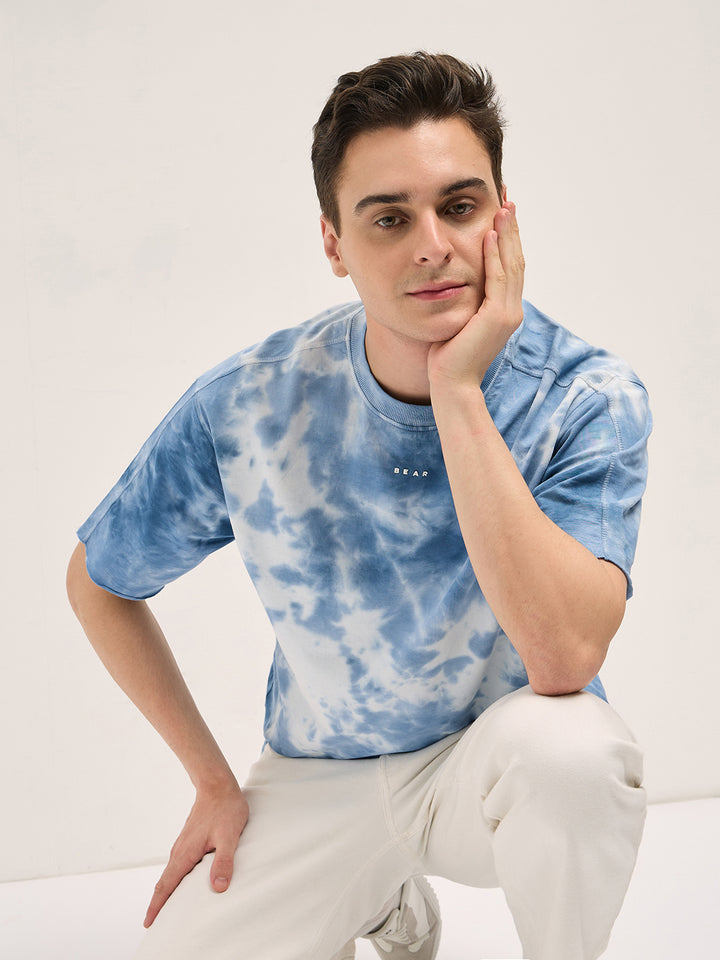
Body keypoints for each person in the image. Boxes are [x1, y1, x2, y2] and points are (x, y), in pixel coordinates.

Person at [66, 52, 651, 960]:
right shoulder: (250, 403)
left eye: (460, 206)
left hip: (494, 769)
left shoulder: (585, 398)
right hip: (320, 776)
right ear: (334, 244)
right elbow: (99, 583)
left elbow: (565, 655)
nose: (432, 245)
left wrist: (458, 391)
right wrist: (212, 781)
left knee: (576, 756)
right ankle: (381, 897)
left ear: (503, 218)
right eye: (389, 218)